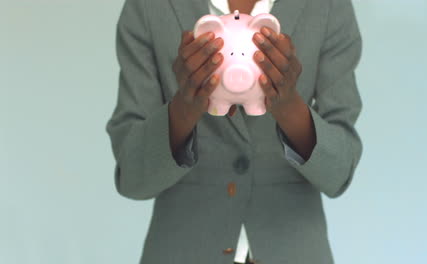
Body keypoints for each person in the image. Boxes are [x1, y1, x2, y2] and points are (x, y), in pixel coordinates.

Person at [105, 0, 363, 263]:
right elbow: (132, 178)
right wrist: (184, 107)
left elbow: (338, 173)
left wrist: (289, 107)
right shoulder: (148, 6)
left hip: (295, 247)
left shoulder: (329, 6)